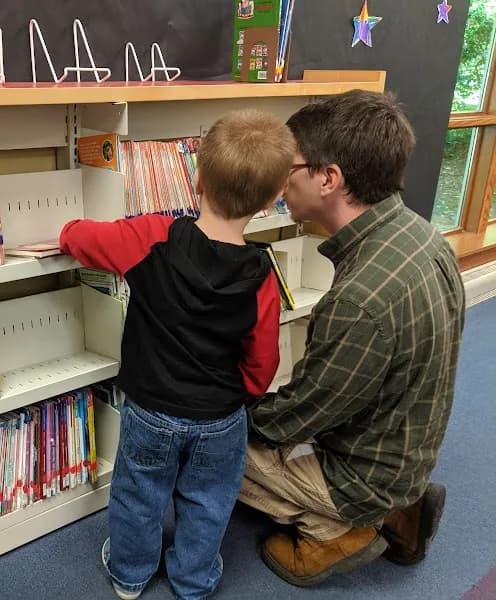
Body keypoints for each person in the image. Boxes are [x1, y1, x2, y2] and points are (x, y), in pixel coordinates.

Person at [58, 110, 294, 600]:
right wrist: (243, 395)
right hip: (221, 416)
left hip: (151, 409)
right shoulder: (264, 276)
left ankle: (129, 574)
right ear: (274, 199)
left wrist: (68, 231)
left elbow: (83, 239)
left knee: (137, 494)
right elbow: (263, 360)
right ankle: (192, 580)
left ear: (197, 178)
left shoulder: (152, 237)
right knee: (209, 500)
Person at [239, 89, 465, 587]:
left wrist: (231, 415)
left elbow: (298, 419)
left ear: (329, 178)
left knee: (209, 446)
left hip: (362, 474)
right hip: (409, 448)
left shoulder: (360, 299)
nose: (278, 179)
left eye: (288, 165)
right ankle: (402, 505)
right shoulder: (423, 235)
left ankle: (338, 528)